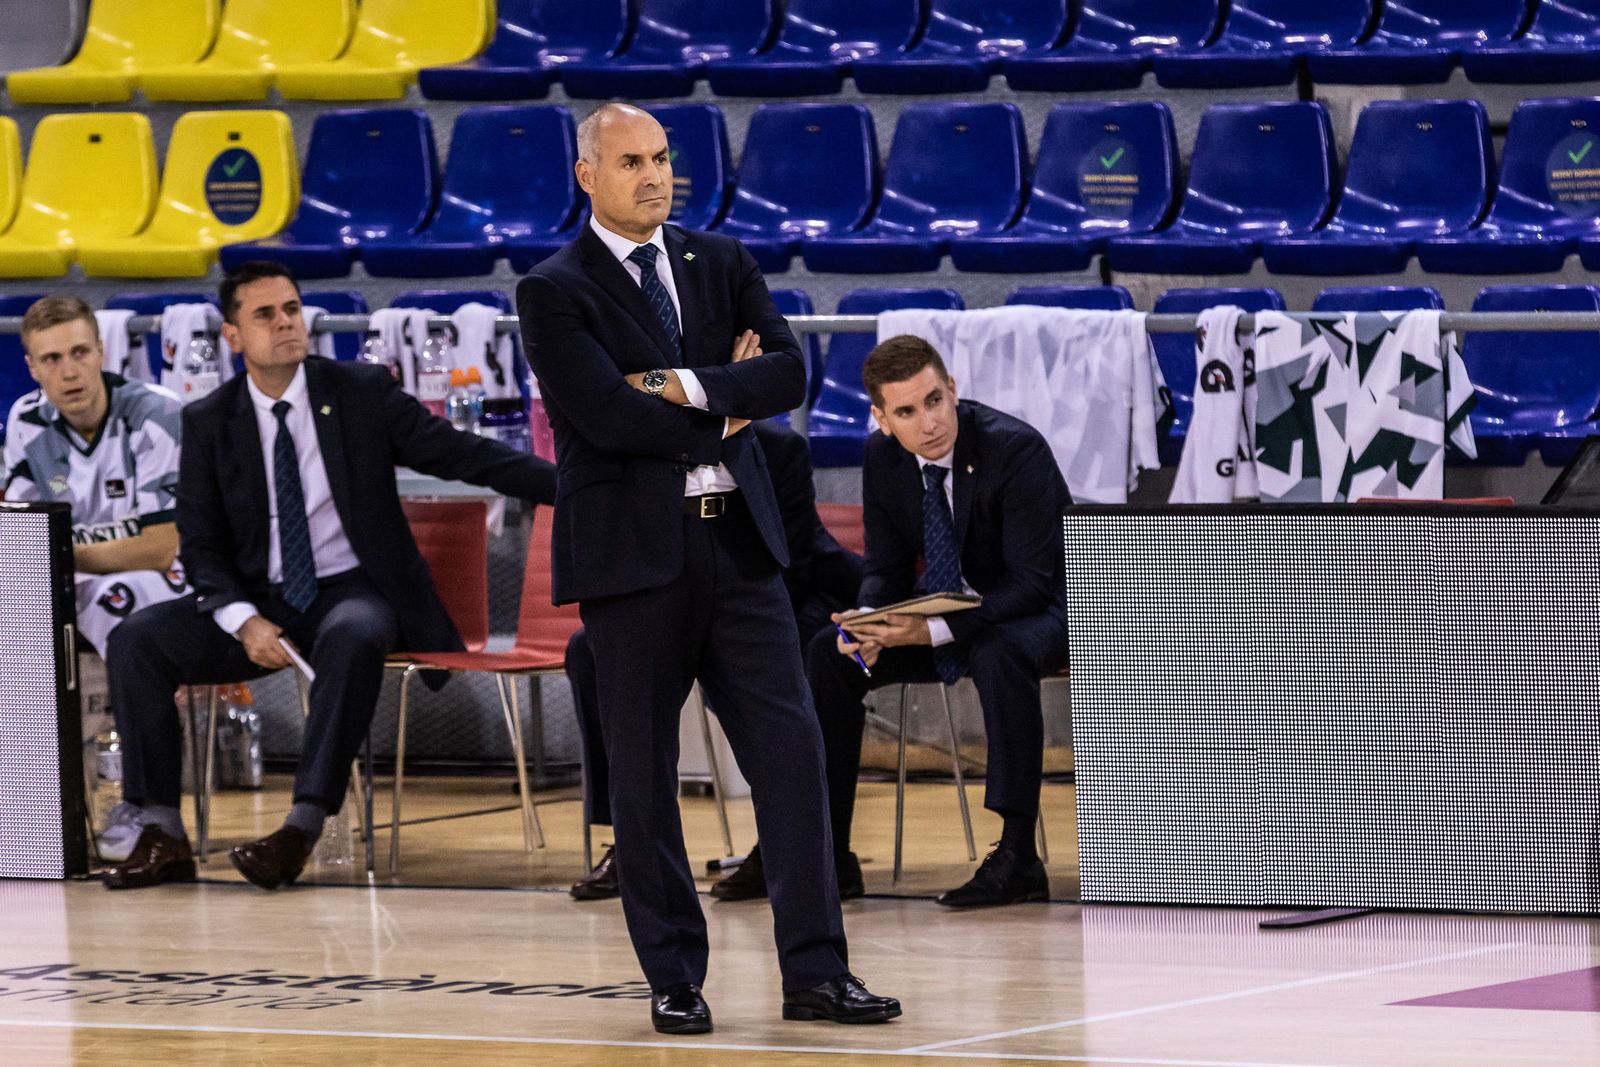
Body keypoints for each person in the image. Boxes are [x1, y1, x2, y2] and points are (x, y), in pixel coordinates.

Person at [517, 102, 899, 1035]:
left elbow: (786, 375)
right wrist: (727, 402)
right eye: (632, 162)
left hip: (740, 547)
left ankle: (816, 970)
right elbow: (607, 420)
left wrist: (684, 387)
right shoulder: (554, 290)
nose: (654, 176)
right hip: (632, 564)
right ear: (588, 176)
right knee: (645, 781)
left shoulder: (720, 262)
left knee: (794, 757)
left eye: (662, 159)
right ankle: (675, 976)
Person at [101, 261, 557, 892]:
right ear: (233, 336)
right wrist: (243, 619)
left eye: (291, 309)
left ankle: (300, 828)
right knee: (137, 639)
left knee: (354, 630)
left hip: (352, 589)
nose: (285, 323)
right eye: (265, 315)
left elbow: (466, 455)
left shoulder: (359, 391)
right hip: (260, 600)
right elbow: (200, 546)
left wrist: (580, 487)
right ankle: (161, 832)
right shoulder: (209, 420)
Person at [815, 335, 1072, 909]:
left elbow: (1033, 584)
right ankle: (829, 853)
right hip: (951, 615)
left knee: (997, 652)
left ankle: (1017, 855)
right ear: (882, 418)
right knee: (828, 654)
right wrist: (871, 620)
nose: (928, 422)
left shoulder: (1015, 449)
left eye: (934, 400)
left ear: (952, 389)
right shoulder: (883, 458)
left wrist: (930, 630)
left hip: (1052, 611)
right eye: (907, 411)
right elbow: (884, 566)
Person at [566, 420, 864, 902]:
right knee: (588, 649)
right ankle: (632, 838)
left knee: (812, 659)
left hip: (772, 595)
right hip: (667, 592)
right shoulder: (631, 441)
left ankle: (794, 847)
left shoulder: (776, 447)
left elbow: (793, 556)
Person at [2, 296, 191, 862]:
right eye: (52, 358)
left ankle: (140, 803)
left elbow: (163, 546)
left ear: (102, 352)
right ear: (32, 368)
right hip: (75, 578)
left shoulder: (158, 412)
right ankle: (29, 809)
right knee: (16, 613)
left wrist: (63, 550)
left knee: (124, 608)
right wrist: (63, 553)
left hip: (173, 582)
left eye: (80, 352)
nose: (69, 370)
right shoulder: (26, 421)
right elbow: (21, 542)